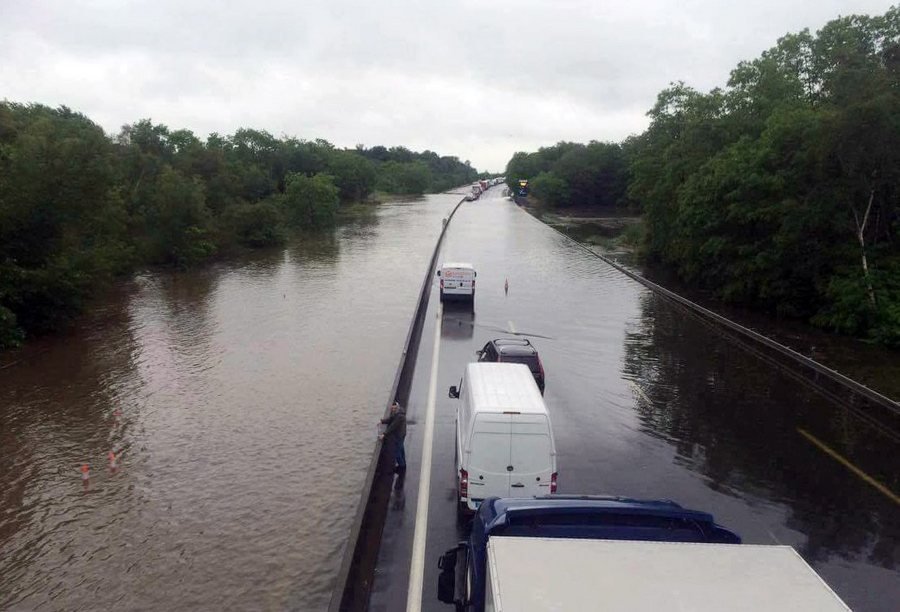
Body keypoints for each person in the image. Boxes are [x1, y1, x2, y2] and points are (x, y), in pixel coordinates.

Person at [379, 401, 407, 472]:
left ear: (397, 407)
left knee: (397, 452)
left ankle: (401, 467)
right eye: (392, 409)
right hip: (401, 434)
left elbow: (392, 426)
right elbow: (391, 419)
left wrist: (384, 434)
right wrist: (382, 421)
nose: (393, 410)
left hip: (399, 435)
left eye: (394, 409)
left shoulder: (399, 416)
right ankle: (403, 464)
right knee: (401, 450)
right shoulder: (398, 413)